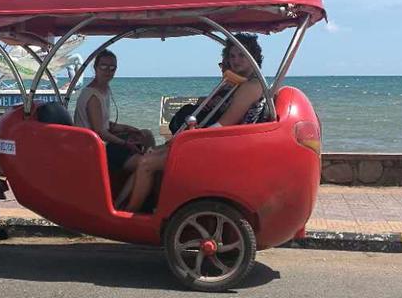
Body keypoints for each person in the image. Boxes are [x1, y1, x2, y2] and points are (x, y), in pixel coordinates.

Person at [120, 33, 266, 213]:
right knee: (150, 156)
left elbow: (224, 125)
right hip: (220, 145)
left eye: (242, 55)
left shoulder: (250, 86)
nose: (235, 60)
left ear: (253, 57)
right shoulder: (238, 83)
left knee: (146, 163)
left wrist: (188, 139)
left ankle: (131, 214)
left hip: (224, 150)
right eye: (232, 56)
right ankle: (130, 207)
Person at [72, 50, 155, 185]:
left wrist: (128, 128)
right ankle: (126, 200)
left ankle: (142, 184)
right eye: (103, 67)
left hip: (103, 141)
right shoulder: (93, 95)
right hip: (95, 148)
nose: (108, 71)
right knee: (147, 163)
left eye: (112, 68)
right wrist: (125, 144)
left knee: (146, 134)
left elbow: (105, 124)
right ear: (95, 68)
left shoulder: (104, 89)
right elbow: (100, 131)